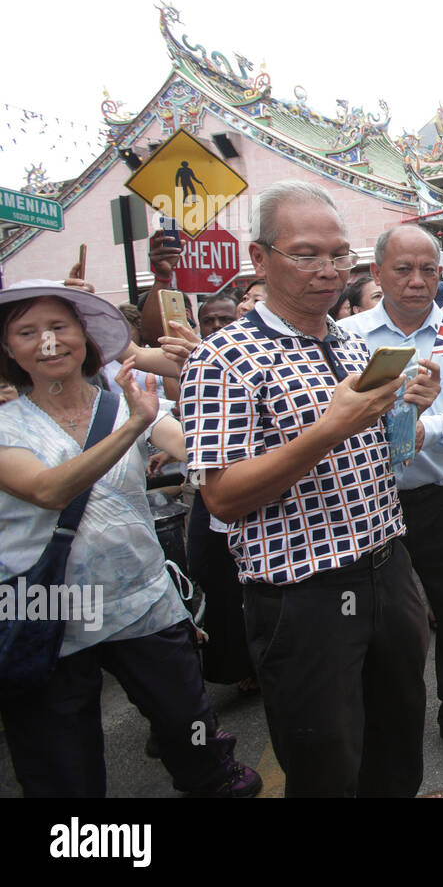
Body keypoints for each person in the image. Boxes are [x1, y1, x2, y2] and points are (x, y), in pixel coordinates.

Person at [179, 181, 439, 797]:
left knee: (398, 734)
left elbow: (390, 454)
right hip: (302, 593)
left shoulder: (352, 343)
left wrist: (411, 417)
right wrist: (330, 427)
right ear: (259, 257)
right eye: (306, 254)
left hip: (388, 567)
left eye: (338, 255)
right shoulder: (224, 359)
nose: (327, 271)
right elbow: (223, 496)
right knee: (323, 757)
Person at [0, 280, 260, 797]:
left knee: (186, 719)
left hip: (142, 596)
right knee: (60, 757)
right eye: (27, 332)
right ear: (9, 350)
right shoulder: (9, 425)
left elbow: (196, 447)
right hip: (47, 604)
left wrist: (209, 384)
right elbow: (49, 490)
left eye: (58, 326)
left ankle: (213, 777)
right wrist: (133, 426)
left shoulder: (123, 402)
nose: (47, 342)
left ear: (84, 335)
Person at [341, 225, 443, 769]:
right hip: (368, 500)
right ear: (377, 273)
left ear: (441, 273)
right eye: (403, 269)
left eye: (428, 270)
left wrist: (431, 429)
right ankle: (385, 728)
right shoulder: (346, 337)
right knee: (379, 623)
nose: (416, 281)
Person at [186, 294, 260, 694]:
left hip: (256, 494)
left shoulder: (257, 360)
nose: (216, 325)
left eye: (225, 318)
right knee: (216, 581)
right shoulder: (197, 361)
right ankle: (233, 664)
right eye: (208, 320)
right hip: (211, 496)